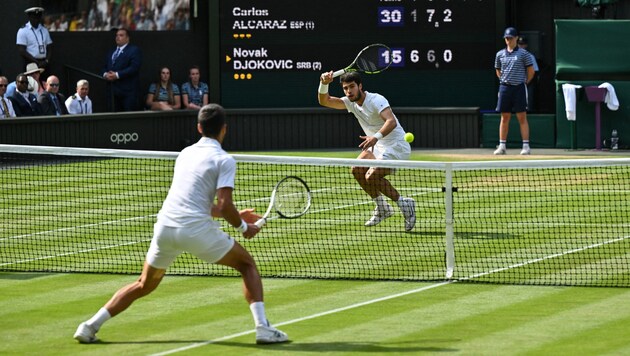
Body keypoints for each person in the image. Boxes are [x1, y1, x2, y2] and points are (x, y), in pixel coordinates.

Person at [73, 104, 289, 345]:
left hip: (166, 227)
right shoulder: (224, 160)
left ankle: (90, 325)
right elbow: (224, 204)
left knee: (144, 283)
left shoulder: (185, 153)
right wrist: (243, 227)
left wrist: (237, 214)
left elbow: (197, 203)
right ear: (224, 130)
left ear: (199, 128)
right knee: (247, 264)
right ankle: (262, 327)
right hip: (196, 231)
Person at [318, 71, 416, 232]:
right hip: (377, 146)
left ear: (360, 86)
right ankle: (383, 208)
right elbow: (325, 101)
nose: (349, 91)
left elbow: (390, 121)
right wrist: (324, 83)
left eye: (352, 87)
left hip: (396, 146)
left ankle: (405, 204)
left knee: (372, 176)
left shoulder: (376, 99)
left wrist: (375, 137)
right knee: (356, 169)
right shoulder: (350, 103)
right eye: (345, 88)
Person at [493, 27, 535, 155]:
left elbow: (531, 71)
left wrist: (523, 82)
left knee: (521, 117)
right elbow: (498, 70)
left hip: (519, 88)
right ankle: (502, 146)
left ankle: (526, 146)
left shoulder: (524, 54)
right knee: (504, 117)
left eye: (510, 38)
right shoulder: (500, 54)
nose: (508, 40)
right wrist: (505, 81)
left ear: (516, 38)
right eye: (506, 38)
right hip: (505, 88)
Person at [102, 27, 142, 112]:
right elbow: (104, 66)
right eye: (116, 35)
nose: (117, 37)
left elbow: (134, 67)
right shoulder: (111, 51)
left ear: (127, 38)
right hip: (112, 91)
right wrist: (106, 75)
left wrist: (117, 75)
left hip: (128, 92)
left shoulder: (134, 50)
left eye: (121, 35)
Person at [517, 37, 539, 113]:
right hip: (516, 83)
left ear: (526, 45)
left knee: (529, 103)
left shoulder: (530, 56)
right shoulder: (513, 56)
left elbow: (534, 71)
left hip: (528, 82)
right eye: (519, 44)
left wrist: (527, 81)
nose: (521, 46)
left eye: (522, 44)